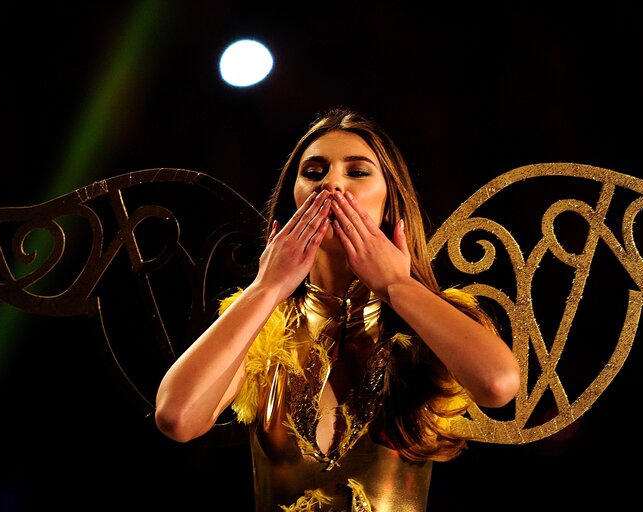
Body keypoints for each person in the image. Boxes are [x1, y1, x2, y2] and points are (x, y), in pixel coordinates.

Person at [154, 107, 521, 511]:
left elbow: (499, 385)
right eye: (313, 172)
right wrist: (266, 287)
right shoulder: (262, 327)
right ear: (291, 203)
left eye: (357, 172)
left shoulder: (430, 323)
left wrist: (397, 284)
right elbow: (177, 418)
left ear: (390, 204)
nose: (331, 183)